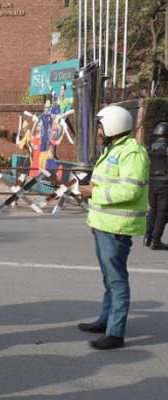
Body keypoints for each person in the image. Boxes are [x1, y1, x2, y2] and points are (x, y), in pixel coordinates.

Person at [77, 105, 149, 350]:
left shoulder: (132, 153)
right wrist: (88, 196)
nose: (98, 130)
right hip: (103, 223)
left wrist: (93, 192)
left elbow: (131, 189)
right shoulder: (111, 150)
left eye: (100, 125)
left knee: (117, 280)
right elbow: (104, 183)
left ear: (114, 124)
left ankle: (115, 333)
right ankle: (106, 320)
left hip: (117, 226)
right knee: (109, 278)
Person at [145, 122, 168, 250]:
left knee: (153, 210)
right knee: (162, 212)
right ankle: (156, 240)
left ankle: (147, 237)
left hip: (151, 182)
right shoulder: (166, 148)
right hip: (165, 183)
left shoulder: (149, 148)